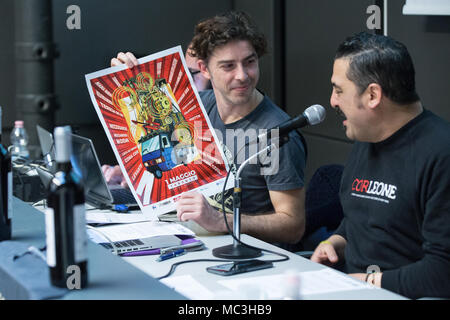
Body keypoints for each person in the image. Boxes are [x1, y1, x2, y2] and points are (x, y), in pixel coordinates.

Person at [110, 11, 307, 245]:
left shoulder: (276, 133)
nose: (242, 75)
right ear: (204, 69)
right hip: (187, 240)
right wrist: (123, 76)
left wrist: (220, 219)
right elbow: (146, 122)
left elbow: (293, 226)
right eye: (228, 66)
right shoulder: (196, 107)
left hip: (246, 257)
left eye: (250, 62)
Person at [311, 32, 450, 299]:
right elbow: (361, 219)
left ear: (373, 95)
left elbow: (442, 271)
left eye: (339, 90)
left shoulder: (440, 154)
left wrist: (368, 281)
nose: (332, 101)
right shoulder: (367, 137)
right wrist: (336, 242)